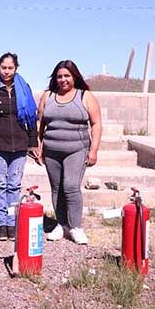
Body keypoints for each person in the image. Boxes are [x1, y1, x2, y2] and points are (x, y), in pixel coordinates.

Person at [37, 60, 102, 245]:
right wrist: (38, 145)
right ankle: (61, 224)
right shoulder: (47, 96)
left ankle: (76, 227)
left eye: (67, 75)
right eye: (59, 76)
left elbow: (96, 124)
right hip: (51, 151)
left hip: (77, 150)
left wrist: (94, 150)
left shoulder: (85, 96)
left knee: (71, 186)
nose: (63, 79)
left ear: (74, 76)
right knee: (57, 188)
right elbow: (40, 123)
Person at [0, 52, 40, 241]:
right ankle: (1, 223)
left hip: (20, 145)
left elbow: (31, 117)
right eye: (3, 68)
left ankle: (12, 222)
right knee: (0, 184)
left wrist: (33, 143)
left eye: (10, 68)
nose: (6, 72)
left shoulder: (24, 88)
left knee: (14, 185)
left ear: (16, 68)